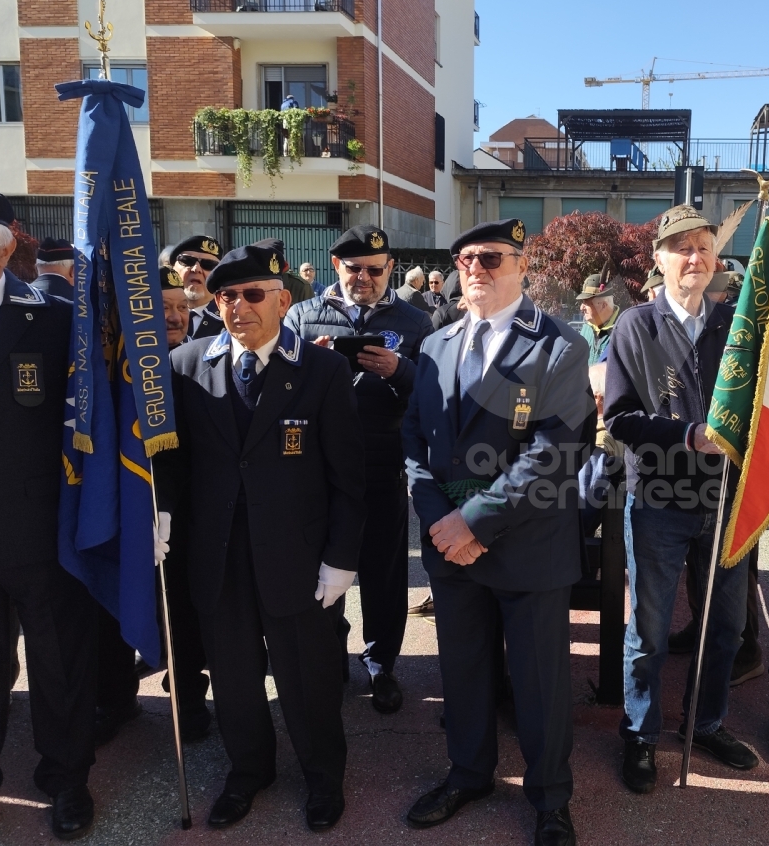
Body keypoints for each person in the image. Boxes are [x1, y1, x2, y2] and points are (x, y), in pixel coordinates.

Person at [155, 243, 365, 832]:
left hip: (297, 556)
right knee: (235, 676)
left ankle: (323, 776)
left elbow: (349, 478)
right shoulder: (188, 364)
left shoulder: (321, 370)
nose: (238, 307)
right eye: (226, 296)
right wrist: (162, 509)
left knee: (309, 677)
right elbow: (174, 460)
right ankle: (249, 770)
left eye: (252, 295)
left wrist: (342, 558)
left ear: (281, 299)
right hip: (218, 554)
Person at [402, 218, 591, 846]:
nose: (476, 268)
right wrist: (438, 520)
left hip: (527, 544)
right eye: (464, 259)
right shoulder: (435, 345)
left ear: (520, 266)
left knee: (539, 682)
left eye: (491, 257)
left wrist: (473, 521)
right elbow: (414, 445)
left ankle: (549, 800)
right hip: (451, 547)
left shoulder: (560, 345)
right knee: (463, 670)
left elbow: (556, 452)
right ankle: (468, 774)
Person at [604, 204, 758, 796]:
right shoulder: (634, 326)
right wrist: (687, 435)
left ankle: (706, 721)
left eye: (703, 246)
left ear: (716, 258)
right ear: (659, 260)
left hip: (726, 500)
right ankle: (640, 735)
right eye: (681, 247)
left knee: (723, 626)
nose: (694, 257)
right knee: (647, 626)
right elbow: (619, 419)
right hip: (661, 499)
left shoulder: (738, 325)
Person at [0, 187, 99, 840]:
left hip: (40, 533)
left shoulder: (53, 320)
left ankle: (67, 780)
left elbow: (88, 419)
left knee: (59, 666)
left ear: (4, 243)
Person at [285, 224, 433, 713]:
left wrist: (401, 371)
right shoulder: (302, 315)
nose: (364, 278)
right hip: (314, 470)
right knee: (320, 568)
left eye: (375, 269)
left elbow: (432, 397)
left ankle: (382, 663)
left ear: (390, 268)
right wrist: (310, 369)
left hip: (381, 462)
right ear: (335, 267)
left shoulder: (415, 321)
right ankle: (330, 658)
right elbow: (276, 389)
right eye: (354, 269)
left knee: (384, 572)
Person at [95, 266, 212, 747]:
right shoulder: (116, 367)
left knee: (183, 612)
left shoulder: (198, 362)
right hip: (124, 507)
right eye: (161, 308)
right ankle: (118, 699)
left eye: (183, 307)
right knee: (114, 605)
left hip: (184, 515)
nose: (174, 316)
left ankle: (187, 700)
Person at [169, 235, 225, 339]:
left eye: (208, 264)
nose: (196, 269)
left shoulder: (230, 320)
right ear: (172, 269)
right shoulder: (153, 316)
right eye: (187, 261)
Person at [576, 271, 622, 364]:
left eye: (587, 302)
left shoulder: (623, 330)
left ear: (603, 305)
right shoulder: (586, 328)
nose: (581, 308)